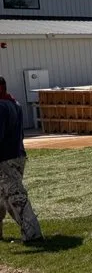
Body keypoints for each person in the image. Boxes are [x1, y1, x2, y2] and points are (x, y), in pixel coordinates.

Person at [0, 77, 42, 243]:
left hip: (5, 158)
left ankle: (33, 234)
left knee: (15, 197)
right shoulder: (14, 104)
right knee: (3, 196)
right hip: (17, 155)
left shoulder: (2, 107)